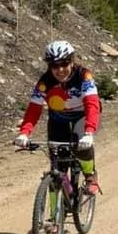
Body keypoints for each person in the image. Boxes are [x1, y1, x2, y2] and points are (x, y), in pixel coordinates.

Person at [14, 40, 101, 194]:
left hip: (81, 116)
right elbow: (34, 108)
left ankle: (90, 176)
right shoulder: (45, 81)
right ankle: (54, 214)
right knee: (57, 168)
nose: (60, 70)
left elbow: (92, 104)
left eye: (64, 64)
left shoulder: (83, 76)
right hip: (58, 119)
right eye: (54, 65)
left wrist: (89, 132)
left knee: (82, 149)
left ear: (72, 62)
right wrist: (24, 132)